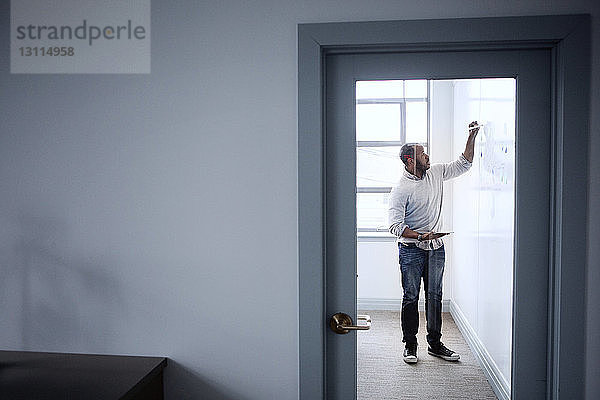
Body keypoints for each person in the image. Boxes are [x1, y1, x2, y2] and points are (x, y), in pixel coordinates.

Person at [388, 121, 480, 364]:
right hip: (411, 250)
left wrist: (472, 135)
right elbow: (395, 227)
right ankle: (410, 345)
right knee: (411, 297)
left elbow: (464, 163)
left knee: (435, 296)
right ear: (410, 161)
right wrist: (420, 236)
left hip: (436, 249)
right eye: (422, 153)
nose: (427, 156)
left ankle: (435, 344)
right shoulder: (400, 189)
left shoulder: (436, 172)